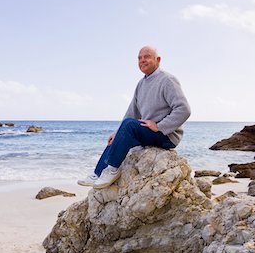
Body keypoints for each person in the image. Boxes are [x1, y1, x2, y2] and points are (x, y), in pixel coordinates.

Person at [78, 46, 191, 189]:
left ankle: (112, 169)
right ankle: (98, 173)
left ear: (158, 60)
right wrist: (117, 133)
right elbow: (132, 112)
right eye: (139, 58)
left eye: (147, 57)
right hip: (148, 132)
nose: (142, 60)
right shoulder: (141, 83)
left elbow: (184, 109)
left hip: (166, 136)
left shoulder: (167, 80)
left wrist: (160, 126)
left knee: (130, 125)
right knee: (122, 130)